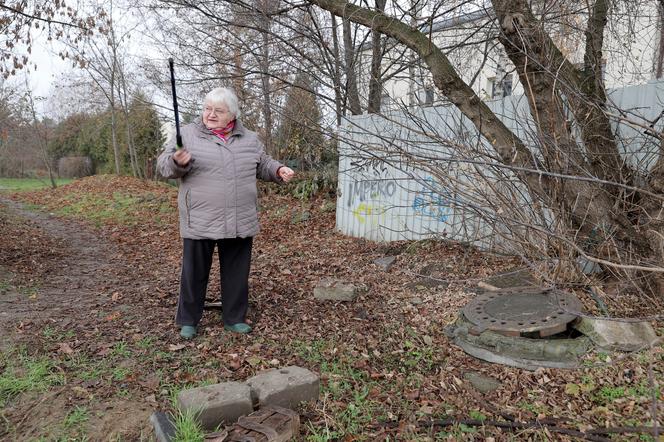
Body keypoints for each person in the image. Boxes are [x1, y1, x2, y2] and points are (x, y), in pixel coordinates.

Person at [157, 87, 295, 339]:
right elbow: (165, 167)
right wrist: (178, 161)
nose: (210, 115)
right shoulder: (186, 134)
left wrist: (278, 170)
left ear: (232, 114)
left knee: (236, 273)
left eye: (218, 111)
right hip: (201, 217)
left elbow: (262, 163)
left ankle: (234, 317)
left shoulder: (250, 138)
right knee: (194, 273)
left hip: (239, 217)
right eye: (207, 109)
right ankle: (189, 320)